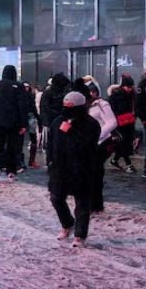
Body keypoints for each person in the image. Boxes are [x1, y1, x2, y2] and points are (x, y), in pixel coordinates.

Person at [47, 92, 102, 248]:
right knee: (56, 198)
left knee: (82, 202)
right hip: (60, 167)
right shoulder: (58, 122)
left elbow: (88, 146)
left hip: (82, 168)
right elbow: (51, 143)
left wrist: (72, 131)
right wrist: (50, 161)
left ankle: (80, 235)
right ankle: (67, 223)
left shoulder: (91, 124)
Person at [0, 65, 30, 182]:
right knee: (12, 147)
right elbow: (23, 106)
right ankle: (11, 171)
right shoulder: (19, 87)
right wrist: (24, 124)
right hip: (14, 123)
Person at [82, 80, 118, 213]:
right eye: (89, 92)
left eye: (94, 91)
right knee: (90, 173)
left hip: (101, 143)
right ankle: (93, 203)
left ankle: (95, 204)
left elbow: (112, 122)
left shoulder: (102, 104)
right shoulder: (85, 106)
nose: (92, 94)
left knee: (95, 173)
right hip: (88, 143)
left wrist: (98, 135)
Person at [108, 75, 138, 173]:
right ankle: (129, 164)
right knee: (123, 143)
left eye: (131, 87)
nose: (129, 89)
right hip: (119, 123)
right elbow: (112, 110)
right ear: (123, 86)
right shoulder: (116, 96)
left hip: (128, 123)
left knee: (124, 143)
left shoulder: (132, 96)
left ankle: (114, 160)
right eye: (128, 87)